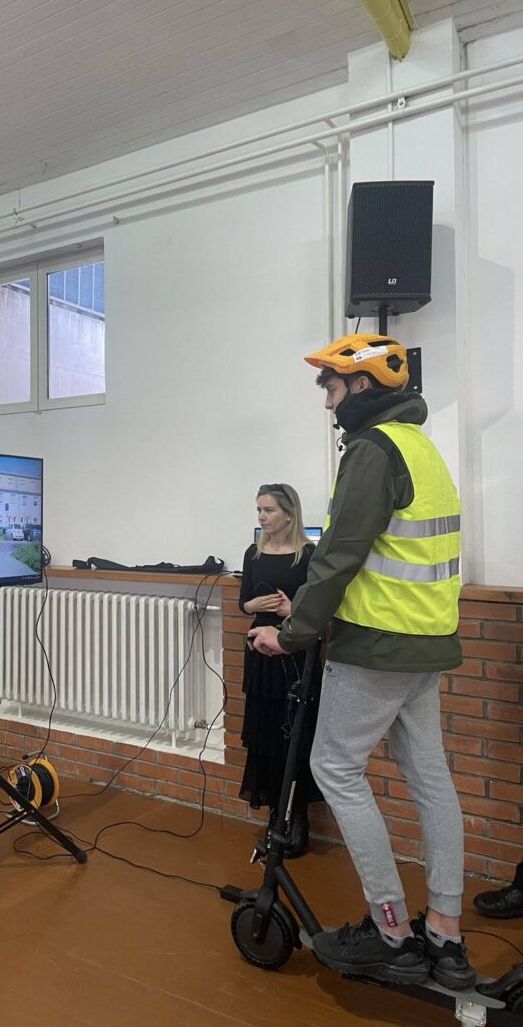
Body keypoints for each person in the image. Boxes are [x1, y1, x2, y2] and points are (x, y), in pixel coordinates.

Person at [249, 332, 476, 990]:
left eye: (332, 386)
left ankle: (391, 931)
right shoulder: (422, 448)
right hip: (426, 644)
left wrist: (291, 634)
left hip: (376, 644)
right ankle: (445, 930)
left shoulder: (372, 451)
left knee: (335, 767)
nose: (327, 401)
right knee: (429, 777)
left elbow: (339, 554)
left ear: (363, 386)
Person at [237, 483, 321, 858]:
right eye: (259, 510)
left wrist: (291, 611)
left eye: (268, 510)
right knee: (266, 737)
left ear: (289, 513)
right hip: (261, 657)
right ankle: (276, 817)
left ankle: (298, 820)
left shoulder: (309, 555)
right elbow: (244, 604)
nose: (262, 517)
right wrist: (255, 605)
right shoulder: (253, 553)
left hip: (294, 656)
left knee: (295, 739)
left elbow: (318, 609)